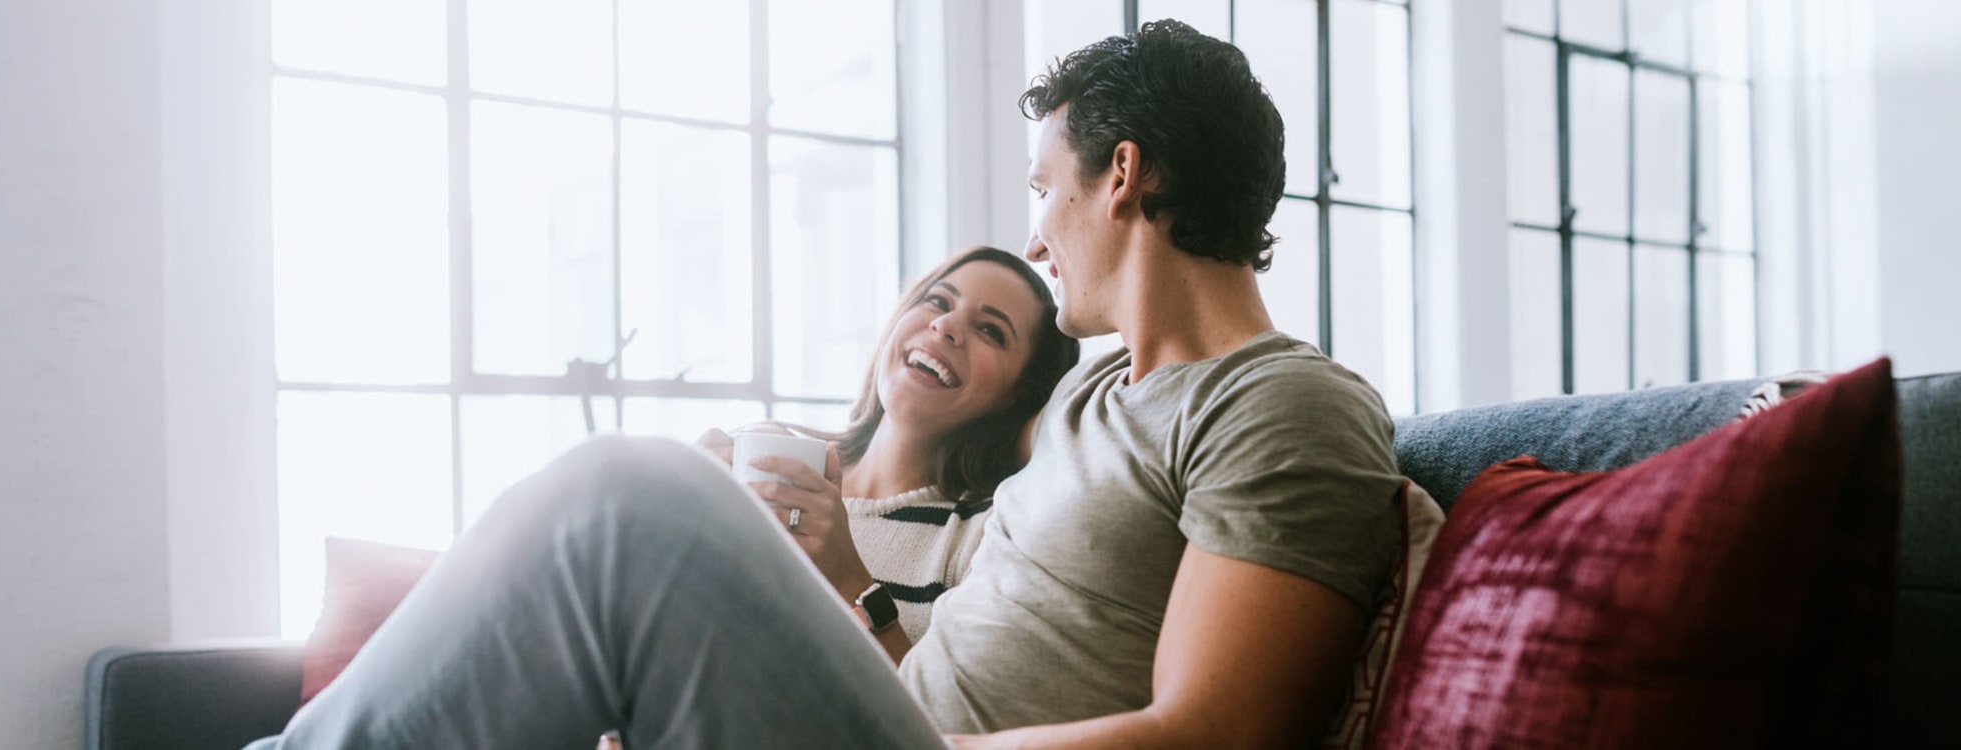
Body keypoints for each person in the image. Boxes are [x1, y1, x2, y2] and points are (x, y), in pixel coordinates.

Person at [247, 19, 1403, 749]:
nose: (1037, 236)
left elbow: (1220, 732)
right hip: (889, 719)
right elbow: (990, 640)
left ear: (1120, 175)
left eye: (1042, 187)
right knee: (644, 525)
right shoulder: (1084, 404)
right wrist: (827, 578)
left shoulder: (1278, 405)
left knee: (628, 507)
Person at [696, 246, 1080, 655]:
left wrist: (851, 581)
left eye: (990, 330)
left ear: (1018, 396)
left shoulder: (983, 539)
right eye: (937, 301)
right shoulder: (774, 461)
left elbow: (935, 716)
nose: (946, 325)